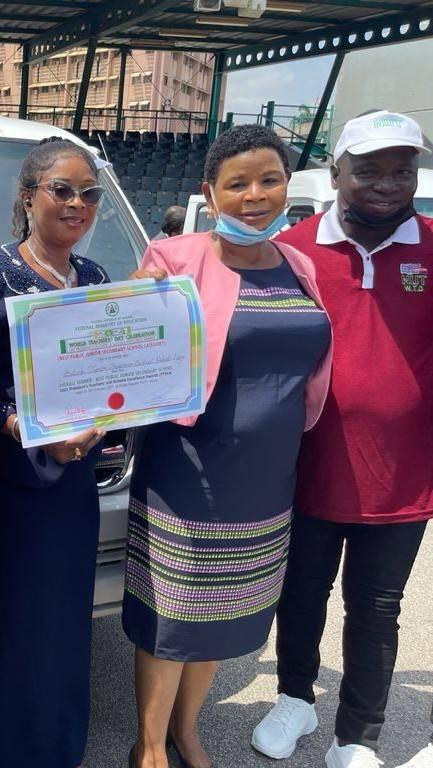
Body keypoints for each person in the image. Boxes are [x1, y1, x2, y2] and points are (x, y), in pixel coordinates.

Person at [124, 124, 333, 768]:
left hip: (266, 475)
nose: (255, 195)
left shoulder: (299, 265)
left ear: (286, 187)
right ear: (210, 193)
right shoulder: (175, 257)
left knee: (222, 613)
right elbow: (123, 343)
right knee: (174, 613)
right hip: (189, 467)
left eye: (268, 180)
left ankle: (189, 730)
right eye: (237, 183)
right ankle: (151, 744)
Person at [252, 111, 433, 768]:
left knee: (375, 608)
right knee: (300, 591)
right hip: (306, 468)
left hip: (402, 474)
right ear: (336, 173)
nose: (387, 182)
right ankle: (294, 699)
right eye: (369, 168)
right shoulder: (292, 250)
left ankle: (356, 735)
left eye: (401, 169)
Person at [0, 137, 108, 768]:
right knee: (11, 624)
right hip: (12, 485)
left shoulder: (98, 278)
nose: (77, 204)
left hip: (77, 484)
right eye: (62, 190)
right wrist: (19, 426)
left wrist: (114, 415)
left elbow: (111, 372)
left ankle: (56, 749)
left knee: (64, 623)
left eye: (89, 194)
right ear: (28, 198)